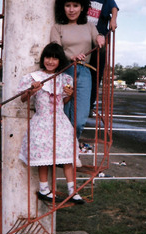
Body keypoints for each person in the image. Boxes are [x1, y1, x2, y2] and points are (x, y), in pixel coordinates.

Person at [18, 42, 85, 204]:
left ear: (60, 61)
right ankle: (44, 189)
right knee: (44, 157)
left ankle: (72, 190)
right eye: (48, 57)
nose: (51, 61)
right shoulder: (34, 77)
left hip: (60, 122)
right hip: (42, 122)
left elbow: (64, 100)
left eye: (55, 58)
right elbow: (23, 99)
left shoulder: (65, 78)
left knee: (68, 156)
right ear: (43, 59)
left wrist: (70, 94)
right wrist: (31, 91)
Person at [50, 0, 105, 139]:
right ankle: (67, 154)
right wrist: (71, 56)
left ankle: (71, 149)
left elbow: (97, 38)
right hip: (65, 71)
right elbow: (56, 49)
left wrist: (100, 36)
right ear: (62, 8)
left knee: (79, 120)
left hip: (85, 72)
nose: (71, 10)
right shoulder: (57, 27)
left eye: (75, 6)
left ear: (82, 8)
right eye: (67, 5)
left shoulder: (90, 26)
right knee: (64, 117)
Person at [88, 0, 119, 112]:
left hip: (99, 44)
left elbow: (114, 8)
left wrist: (113, 20)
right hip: (84, 41)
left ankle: (90, 105)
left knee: (96, 76)